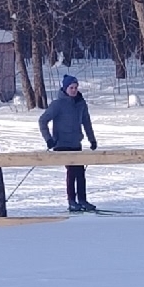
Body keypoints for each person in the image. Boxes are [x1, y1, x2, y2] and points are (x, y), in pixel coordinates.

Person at [40, 75, 100, 213]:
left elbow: (86, 122)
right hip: (61, 144)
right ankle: (72, 201)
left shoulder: (81, 103)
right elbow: (42, 121)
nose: (73, 90)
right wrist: (49, 139)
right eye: (71, 88)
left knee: (80, 173)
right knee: (72, 171)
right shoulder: (58, 104)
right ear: (65, 88)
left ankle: (83, 200)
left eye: (75, 87)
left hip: (75, 143)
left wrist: (92, 139)